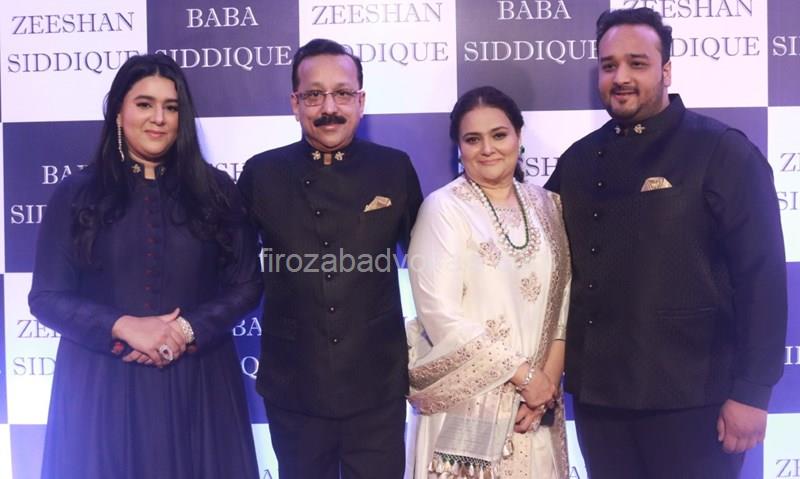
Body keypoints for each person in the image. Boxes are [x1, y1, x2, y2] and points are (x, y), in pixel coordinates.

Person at [545, 7, 787, 479]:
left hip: (697, 401)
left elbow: (762, 278)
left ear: (666, 70)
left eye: (637, 63)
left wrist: (753, 392)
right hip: (601, 404)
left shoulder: (721, 150)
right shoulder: (578, 161)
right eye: (609, 65)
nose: (621, 77)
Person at [28, 54, 262, 479]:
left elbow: (246, 284)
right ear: (119, 111)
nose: (158, 118)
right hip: (100, 388)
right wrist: (121, 326)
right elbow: (46, 297)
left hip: (199, 385)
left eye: (171, 107)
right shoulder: (77, 195)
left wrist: (185, 329)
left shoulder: (216, 192)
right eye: (144, 104)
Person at [237, 38, 423, 478]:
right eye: (314, 95)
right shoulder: (261, 173)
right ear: (294, 103)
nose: (329, 108)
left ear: (361, 101)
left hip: (377, 382)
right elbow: (234, 272)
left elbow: (430, 268)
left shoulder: (394, 168)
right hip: (293, 385)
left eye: (342, 93)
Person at [405, 86, 571, 479]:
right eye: (472, 139)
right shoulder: (443, 209)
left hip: (535, 406)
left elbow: (562, 303)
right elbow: (440, 317)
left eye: (499, 135)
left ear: (518, 136)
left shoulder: (547, 205)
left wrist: (544, 387)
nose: (487, 149)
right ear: (459, 148)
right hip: (468, 404)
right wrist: (524, 376)